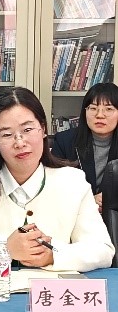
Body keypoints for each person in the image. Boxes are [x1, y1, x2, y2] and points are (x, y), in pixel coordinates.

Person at [0, 87, 114, 272]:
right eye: (7, 134)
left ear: (43, 129)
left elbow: (102, 250)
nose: (20, 142)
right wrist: (6, 249)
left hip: (50, 288)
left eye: (28, 129)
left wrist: (53, 255)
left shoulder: (72, 182)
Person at [52, 82, 118, 213]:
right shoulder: (65, 141)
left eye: (109, 109)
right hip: (76, 214)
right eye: (93, 108)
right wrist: (88, 201)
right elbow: (53, 187)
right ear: (85, 112)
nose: (100, 115)